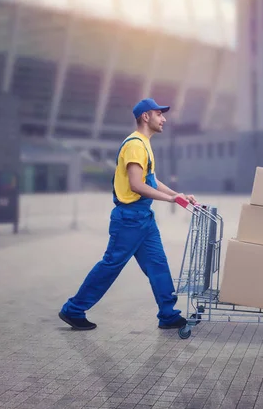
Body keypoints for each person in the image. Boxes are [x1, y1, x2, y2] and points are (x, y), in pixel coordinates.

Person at [59, 98, 196, 331]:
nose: (163, 119)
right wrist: (171, 199)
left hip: (143, 218)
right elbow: (136, 184)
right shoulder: (134, 145)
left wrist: (178, 195)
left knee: (157, 264)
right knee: (111, 265)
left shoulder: (143, 144)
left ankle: (168, 314)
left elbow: (150, 180)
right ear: (146, 117)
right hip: (129, 219)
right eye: (159, 114)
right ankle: (73, 309)